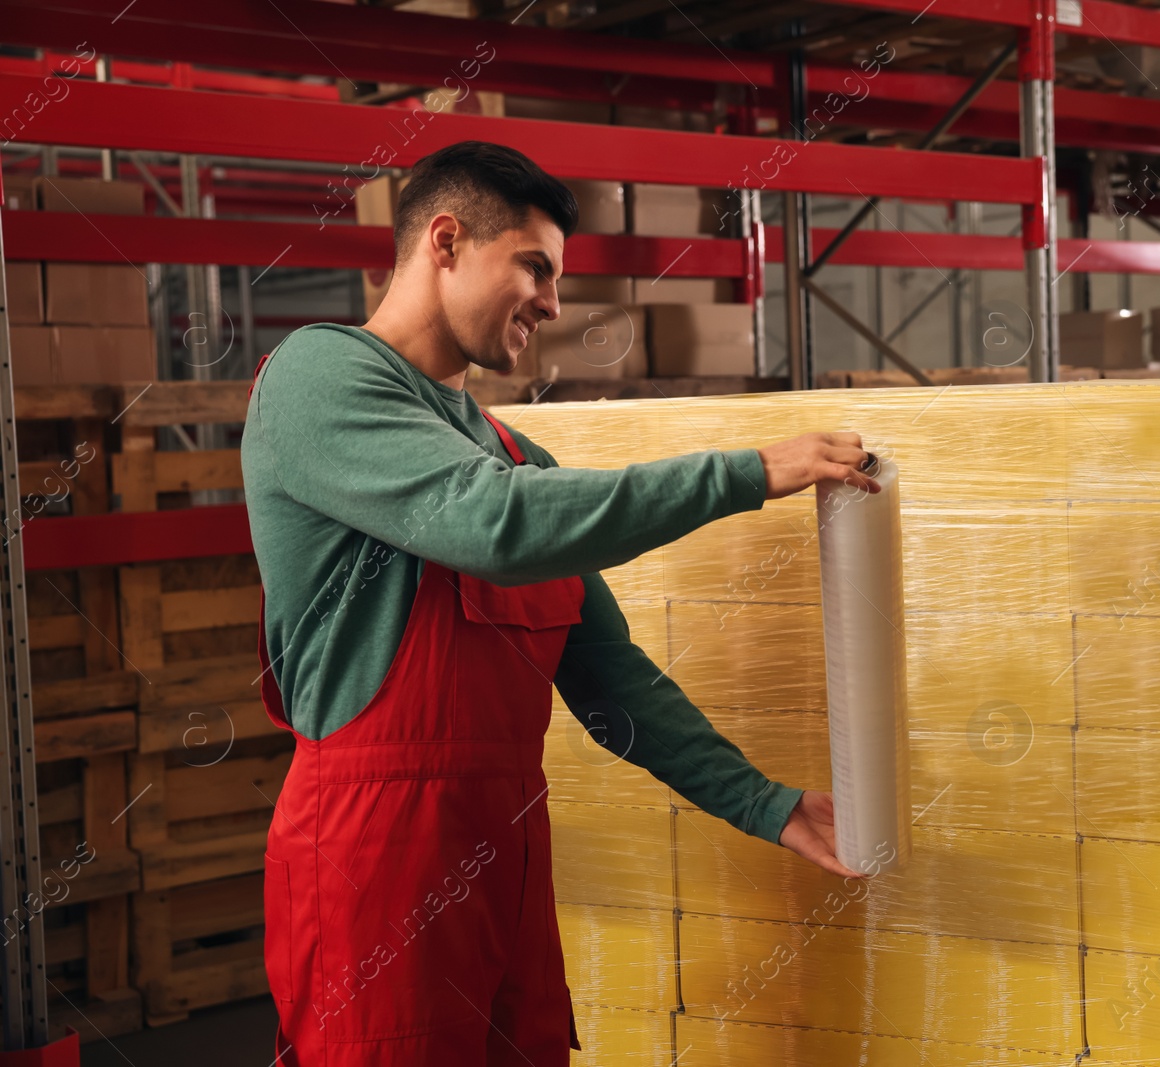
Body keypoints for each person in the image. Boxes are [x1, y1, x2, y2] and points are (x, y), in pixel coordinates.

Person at [241, 139, 879, 1067]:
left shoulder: (512, 454)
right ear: (446, 241)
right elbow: (494, 527)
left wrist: (769, 805)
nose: (551, 300)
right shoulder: (319, 379)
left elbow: (612, 678)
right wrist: (748, 473)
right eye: (534, 265)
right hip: (374, 853)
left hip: (507, 849)